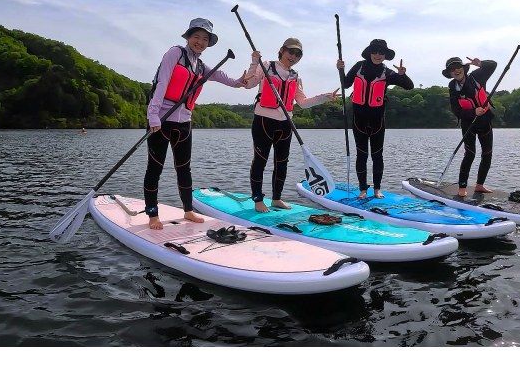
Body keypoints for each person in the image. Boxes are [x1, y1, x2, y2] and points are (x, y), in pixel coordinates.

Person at [144, 18, 254, 230]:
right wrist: (153, 115)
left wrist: (239, 82)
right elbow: (162, 82)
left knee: (184, 169)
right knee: (154, 168)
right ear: (188, 37)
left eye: (205, 39)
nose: (200, 42)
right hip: (162, 120)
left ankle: (188, 210)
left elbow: (220, 76)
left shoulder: (201, 65)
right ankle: (152, 214)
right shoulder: (175, 53)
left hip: (184, 122)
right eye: (197, 37)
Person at [243, 38, 339, 213]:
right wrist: (253, 62)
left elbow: (302, 102)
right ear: (282, 50)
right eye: (291, 52)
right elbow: (248, 84)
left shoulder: (296, 76)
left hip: (286, 123)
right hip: (263, 121)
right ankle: (257, 199)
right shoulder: (266, 66)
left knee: (282, 162)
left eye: (297, 54)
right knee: (260, 161)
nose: (293, 57)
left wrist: (325, 97)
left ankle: (277, 198)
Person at [337, 39, 413, 199]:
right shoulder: (359, 66)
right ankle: (363, 189)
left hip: (378, 121)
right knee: (362, 155)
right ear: (369, 52)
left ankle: (377, 189)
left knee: (377, 156)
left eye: (381, 53)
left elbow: (409, 86)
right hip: (359, 121)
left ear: (385, 56)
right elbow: (345, 84)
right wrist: (341, 70)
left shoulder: (387, 72)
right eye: (375, 51)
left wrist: (402, 75)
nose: (378, 55)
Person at [443, 55, 497, 197]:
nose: (456, 71)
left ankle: (479, 185)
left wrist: (481, 63)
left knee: (487, 154)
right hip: (469, 123)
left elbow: (493, 65)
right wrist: (473, 112)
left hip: (485, 120)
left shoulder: (477, 76)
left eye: (458, 67)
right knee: (470, 154)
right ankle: (462, 188)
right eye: (452, 69)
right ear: (450, 73)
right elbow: (456, 110)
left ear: (464, 69)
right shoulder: (452, 87)